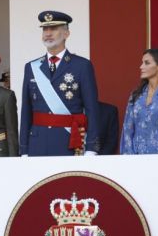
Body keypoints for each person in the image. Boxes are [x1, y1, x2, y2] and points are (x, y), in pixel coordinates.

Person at [20, 10, 101, 156]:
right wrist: (24, 149)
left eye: (54, 29)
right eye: (45, 29)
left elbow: (92, 109)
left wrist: (91, 147)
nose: (48, 33)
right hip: (37, 143)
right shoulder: (31, 67)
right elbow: (26, 111)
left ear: (66, 34)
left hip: (69, 142)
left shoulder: (82, 66)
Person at [120, 48, 158, 154]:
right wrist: (129, 157)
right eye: (142, 63)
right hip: (134, 158)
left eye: (147, 63)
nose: (141, 66)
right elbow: (127, 128)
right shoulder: (136, 95)